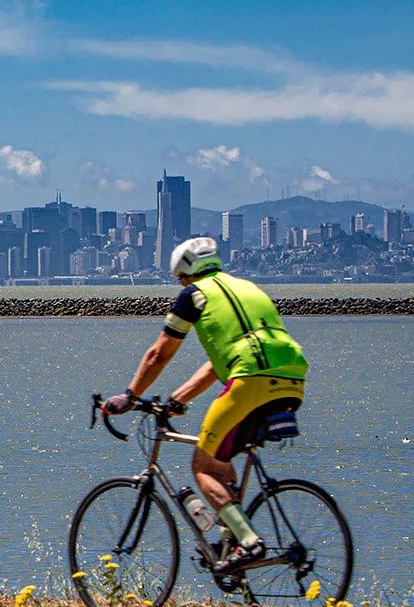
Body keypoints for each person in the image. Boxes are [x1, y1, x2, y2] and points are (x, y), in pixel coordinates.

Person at [102, 237, 308, 572]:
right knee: (222, 464)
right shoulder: (247, 287)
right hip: (292, 379)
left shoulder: (195, 295)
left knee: (203, 466)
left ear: (184, 274)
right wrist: (177, 400)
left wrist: (131, 396)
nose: (181, 285)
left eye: (180, 279)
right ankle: (233, 543)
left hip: (249, 381)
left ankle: (249, 543)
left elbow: (159, 354)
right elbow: (215, 367)